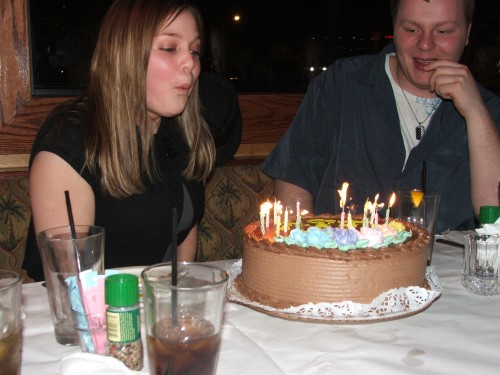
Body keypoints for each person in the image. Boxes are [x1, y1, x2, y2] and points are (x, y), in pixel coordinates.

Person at [261, 0, 500, 233]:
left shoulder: (488, 108)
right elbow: (294, 179)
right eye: (411, 29)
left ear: (467, 32)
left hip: (449, 270)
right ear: (394, 28)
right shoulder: (341, 83)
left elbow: (493, 214)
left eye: (443, 31)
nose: (425, 44)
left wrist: (476, 113)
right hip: (343, 264)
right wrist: (304, 248)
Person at [23, 0, 216, 281]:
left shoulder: (179, 136)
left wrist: (175, 307)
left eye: (195, 50)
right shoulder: (71, 140)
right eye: (169, 48)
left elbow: (182, 246)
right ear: (124, 53)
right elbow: (71, 286)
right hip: (91, 315)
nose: (192, 63)